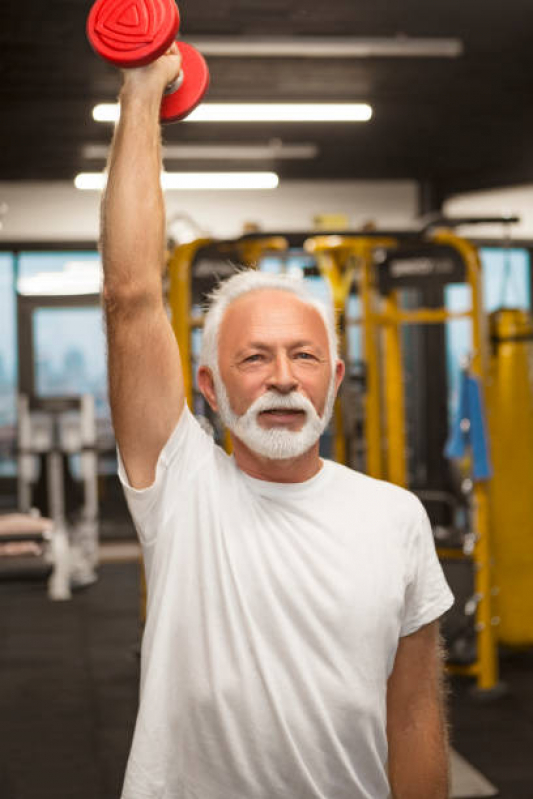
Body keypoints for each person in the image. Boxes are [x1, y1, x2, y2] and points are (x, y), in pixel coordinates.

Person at [102, 44, 455, 799]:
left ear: (332, 378)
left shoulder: (396, 517)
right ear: (208, 385)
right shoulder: (184, 490)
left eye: (302, 356)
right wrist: (140, 86)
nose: (283, 377)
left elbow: (415, 714)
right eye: (253, 359)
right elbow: (131, 293)